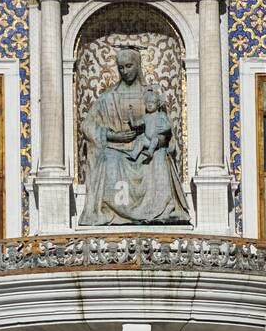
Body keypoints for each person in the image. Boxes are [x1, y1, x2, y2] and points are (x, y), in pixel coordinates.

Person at [79, 48, 190, 226]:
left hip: (148, 149)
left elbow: (165, 128)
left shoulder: (152, 94)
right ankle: (114, 212)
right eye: (121, 67)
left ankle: (161, 210)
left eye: (129, 66)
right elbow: (87, 125)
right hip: (116, 150)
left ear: (138, 66)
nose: (125, 71)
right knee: (109, 159)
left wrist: (159, 141)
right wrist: (113, 136)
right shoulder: (108, 97)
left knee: (160, 157)